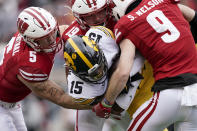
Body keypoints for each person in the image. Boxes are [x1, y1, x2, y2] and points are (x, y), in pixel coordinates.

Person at [92, 0, 197, 131]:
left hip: (170, 93)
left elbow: (123, 72)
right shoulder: (164, 2)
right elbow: (194, 16)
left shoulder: (126, 23)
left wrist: (106, 103)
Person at [0, 7, 91, 131]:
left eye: (53, 32)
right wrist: (98, 104)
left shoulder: (38, 34)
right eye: (45, 38)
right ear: (31, 41)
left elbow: (65, 31)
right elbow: (61, 98)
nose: (53, 40)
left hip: (13, 103)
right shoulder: (28, 64)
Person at [64, 25, 145, 131]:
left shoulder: (104, 39)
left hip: (123, 68)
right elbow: (110, 109)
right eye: (94, 73)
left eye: (100, 67)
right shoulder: (81, 90)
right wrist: (105, 101)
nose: (100, 73)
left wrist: (119, 79)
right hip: (96, 96)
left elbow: (133, 55)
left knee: (122, 106)